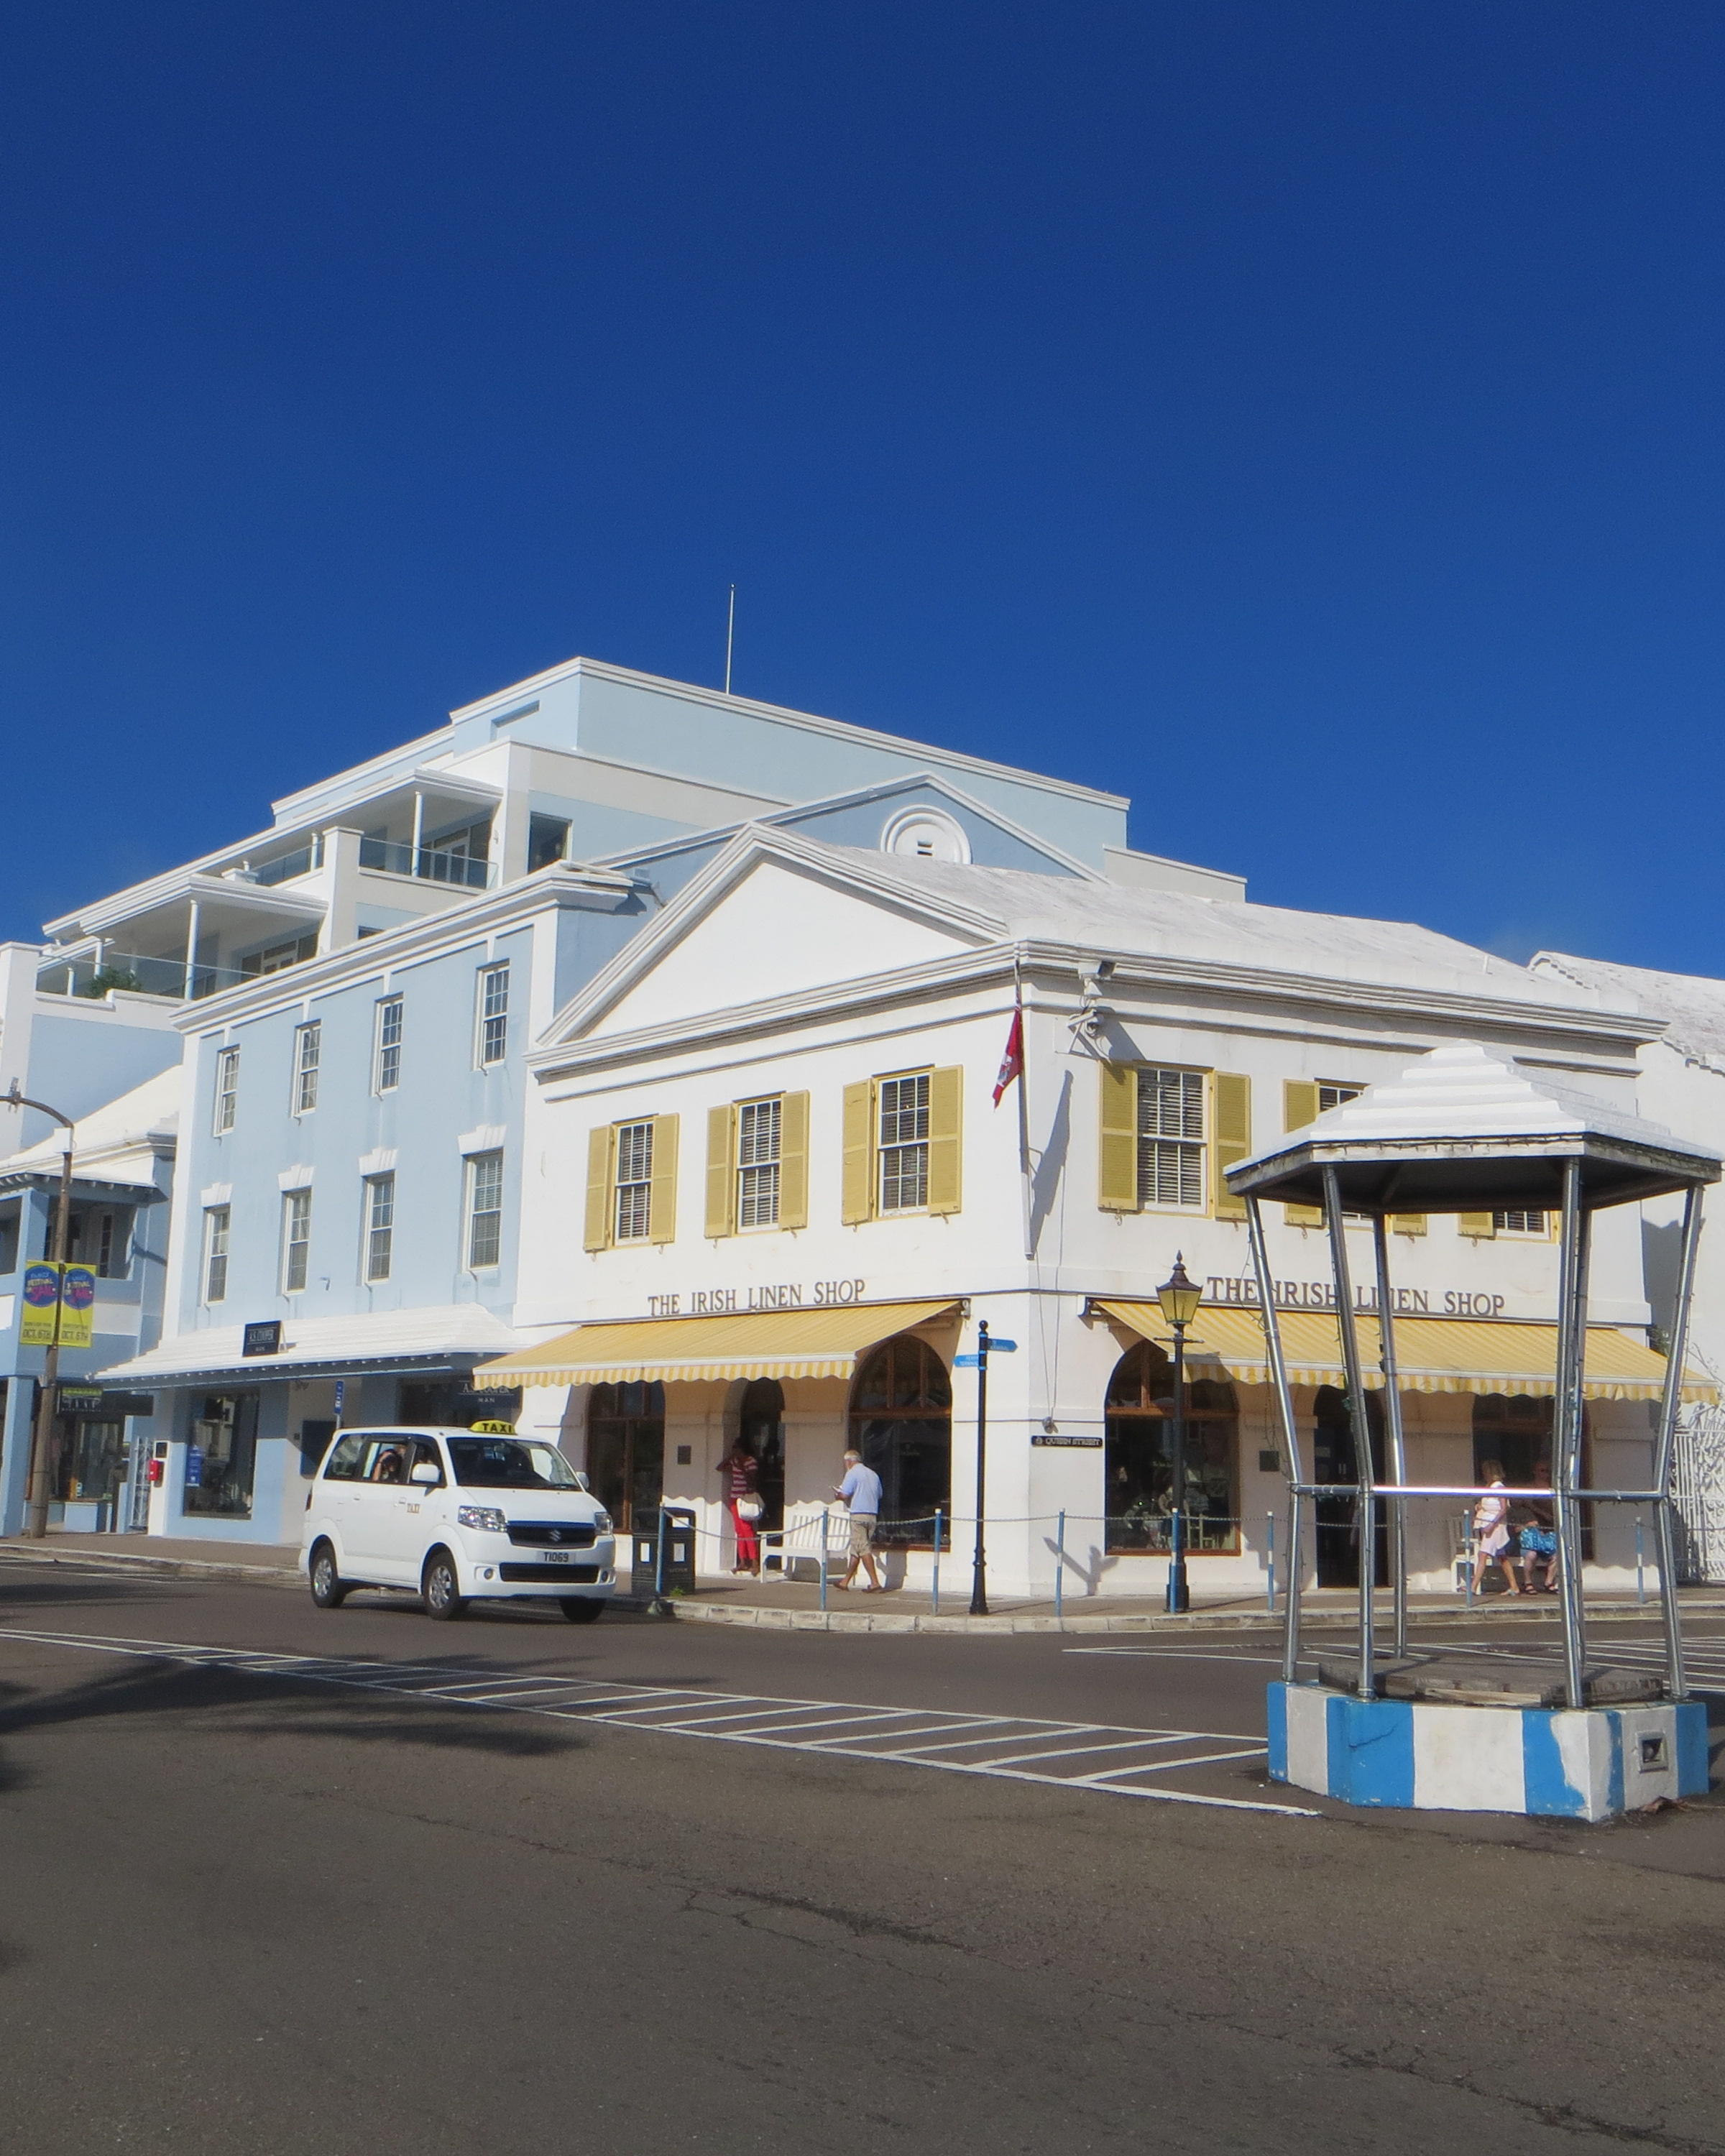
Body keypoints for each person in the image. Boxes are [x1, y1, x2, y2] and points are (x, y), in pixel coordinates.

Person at [832, 1448, 884, 1592]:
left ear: (849, 1462)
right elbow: (880, 1494)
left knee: (863, 1548)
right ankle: (845, 1581)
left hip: (858, 1515)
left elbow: (844, 1494)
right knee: (857, 1550)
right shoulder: (873, 1474)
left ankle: (875, 1583)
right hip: (872, 1515)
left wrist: (837, 1495)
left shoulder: (852, 1473)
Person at [719, 1440, 762, 1575]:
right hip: (734, 1497)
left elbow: (752, 1480)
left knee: (747, 1530)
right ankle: (743, 1561)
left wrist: (742, 1466)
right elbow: (720, 1468)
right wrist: (730, 1458)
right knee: (739, 1531)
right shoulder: (734, 1461)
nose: (735, 1450)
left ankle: (754, 1562)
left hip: (745, 1498)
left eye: (737, 1448)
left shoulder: (750, 1461)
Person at [1471, 1467, 1515, 1596]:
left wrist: (1492, 1524)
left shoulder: (1499, 1487)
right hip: (1486, 1522)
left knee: (1482, 1554)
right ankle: (1514, 1586)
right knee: (1502, 1556)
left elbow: (1503, 1509)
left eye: (1486, 1471)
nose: (1484, 1474)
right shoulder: (1488, 1486)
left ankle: (1473, 1587)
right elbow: (1484, 1504)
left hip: (1495, 1526)